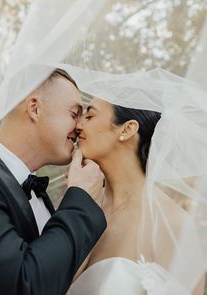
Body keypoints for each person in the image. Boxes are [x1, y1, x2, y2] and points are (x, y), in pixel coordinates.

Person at [0, 69, 107, 295]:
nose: (80, 127)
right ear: (34, 108)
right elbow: (20, 284)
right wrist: (81, 198)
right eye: (74, 113)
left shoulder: (37, 193)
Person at [67, 96, 205, 295]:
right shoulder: (78, 211)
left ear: (127, 129)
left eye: (89, 116)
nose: (78, 125)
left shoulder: (173, 223)